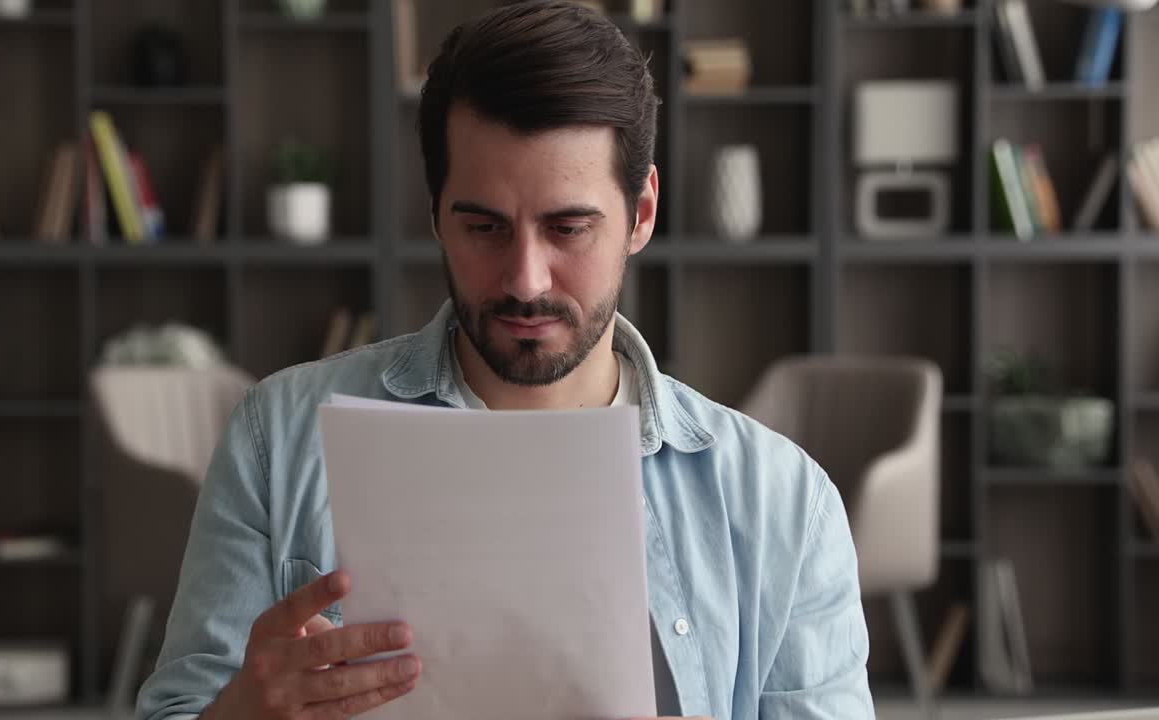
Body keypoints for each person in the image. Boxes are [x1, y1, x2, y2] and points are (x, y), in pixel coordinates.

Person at [137, 1, 875, 718]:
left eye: (568, 228)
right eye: (485, 227)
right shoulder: (279, 438)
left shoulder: (784, 505)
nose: (525, 279)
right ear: (435, 214)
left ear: (641, 214)